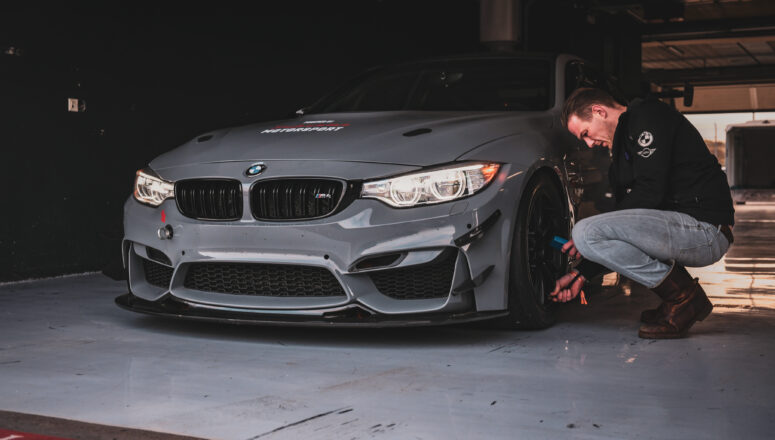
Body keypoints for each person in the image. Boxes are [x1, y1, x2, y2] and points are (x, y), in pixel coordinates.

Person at [552, 88, 735, 339]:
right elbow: (627, 229)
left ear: (599, 111)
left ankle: (683, 297)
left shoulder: (648, 116)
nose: (589, 143)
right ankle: (679, 297)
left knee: (585, 231)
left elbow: (650, 192)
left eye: (586, 133)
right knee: (588, 233)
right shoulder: (621, 158)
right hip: (683, 229)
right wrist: (581, 273)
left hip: (706, 231)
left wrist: (587, 240)